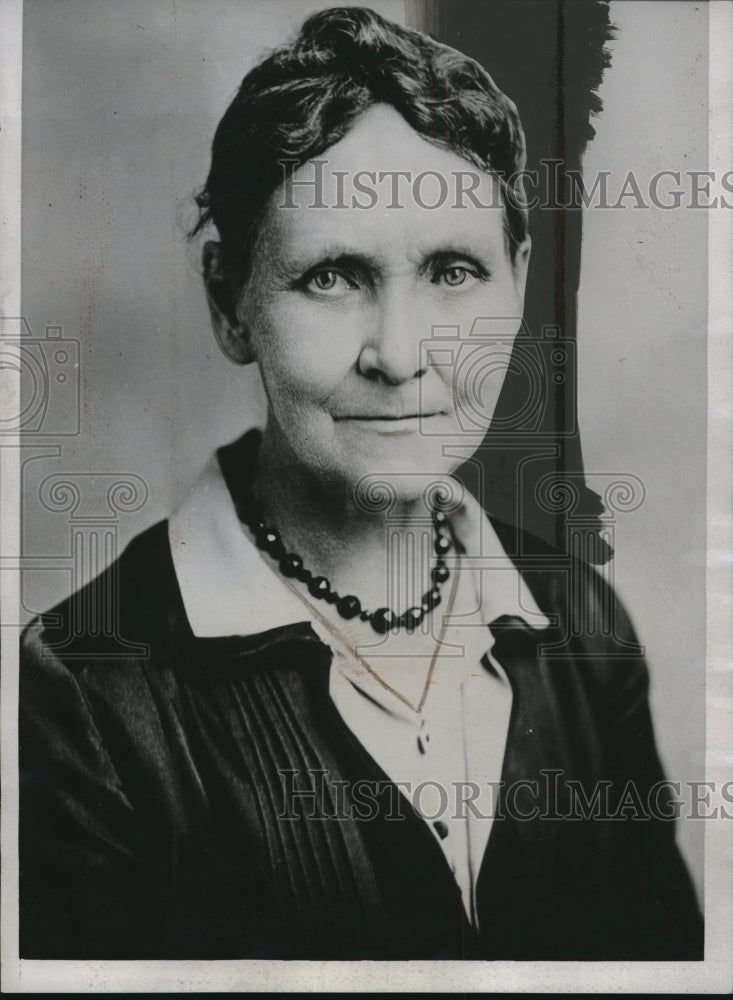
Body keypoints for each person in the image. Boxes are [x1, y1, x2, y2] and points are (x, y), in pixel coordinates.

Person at [19, 6, 702, 960]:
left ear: (521, 280)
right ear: (229, 301)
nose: (400, 354)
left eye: (454, 271)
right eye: (333, 277)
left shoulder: (582, 627)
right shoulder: (87, 688)